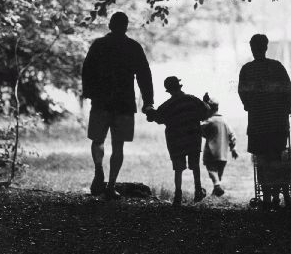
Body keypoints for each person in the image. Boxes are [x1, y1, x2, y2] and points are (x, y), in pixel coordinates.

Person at [82, 12, 154, 200]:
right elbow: (144, 75)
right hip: (124, 103)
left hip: (101, 101)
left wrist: (90, 93)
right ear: (126, 26)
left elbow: (87, 70)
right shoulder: (133, 47)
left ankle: (99, 171)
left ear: (110, 25)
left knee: (97, 140)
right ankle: (111, 185)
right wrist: (148, 101)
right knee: (118, 145)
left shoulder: (98, 45)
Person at [238, 34, 291, 210]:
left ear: (252, 48)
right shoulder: (277, 67)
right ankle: (281, 196)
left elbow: (242, 93)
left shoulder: (247, 69)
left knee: (262, 161)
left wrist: (250, 105)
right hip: (278, 124)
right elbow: (288, 90)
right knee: (279, 159)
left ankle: (268, 199)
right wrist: (286, 108)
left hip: (258, 124)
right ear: (266, 47)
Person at [148, 77, 210, 206]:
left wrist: (150, 112)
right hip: (193, 137)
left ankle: (178, 195)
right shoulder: (192, 100)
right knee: (195, 166)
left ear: (168, 90)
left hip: (175, 140)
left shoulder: (166, 106)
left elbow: (158, 118)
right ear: (180, 86)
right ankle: (198, 191)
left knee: (178, 168)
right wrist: (205, 102)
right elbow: (205, 114)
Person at [201, 93, 238, 197]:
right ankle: (215, 193)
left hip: (211, 152)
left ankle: (217, 186)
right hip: (223, 154)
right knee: (219, 173)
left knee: (211, 170)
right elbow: (232, 135)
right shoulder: (224, 121)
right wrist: (233, 148)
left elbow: (199, 130)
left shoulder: (209, 121)